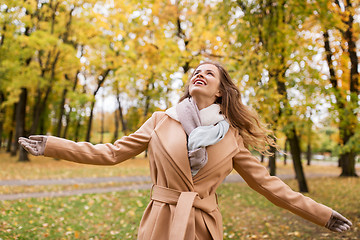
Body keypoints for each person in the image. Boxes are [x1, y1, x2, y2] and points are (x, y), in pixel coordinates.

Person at [19, 62, 352, 240]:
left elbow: (269, 185)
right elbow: (109, 152)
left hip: (203, 225)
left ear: (221, 91)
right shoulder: (161, 121)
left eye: (209, 72)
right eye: (196, 71)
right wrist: (52, 145)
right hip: (161, 222)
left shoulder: (232, 137)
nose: (199, 74)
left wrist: (322, 214)